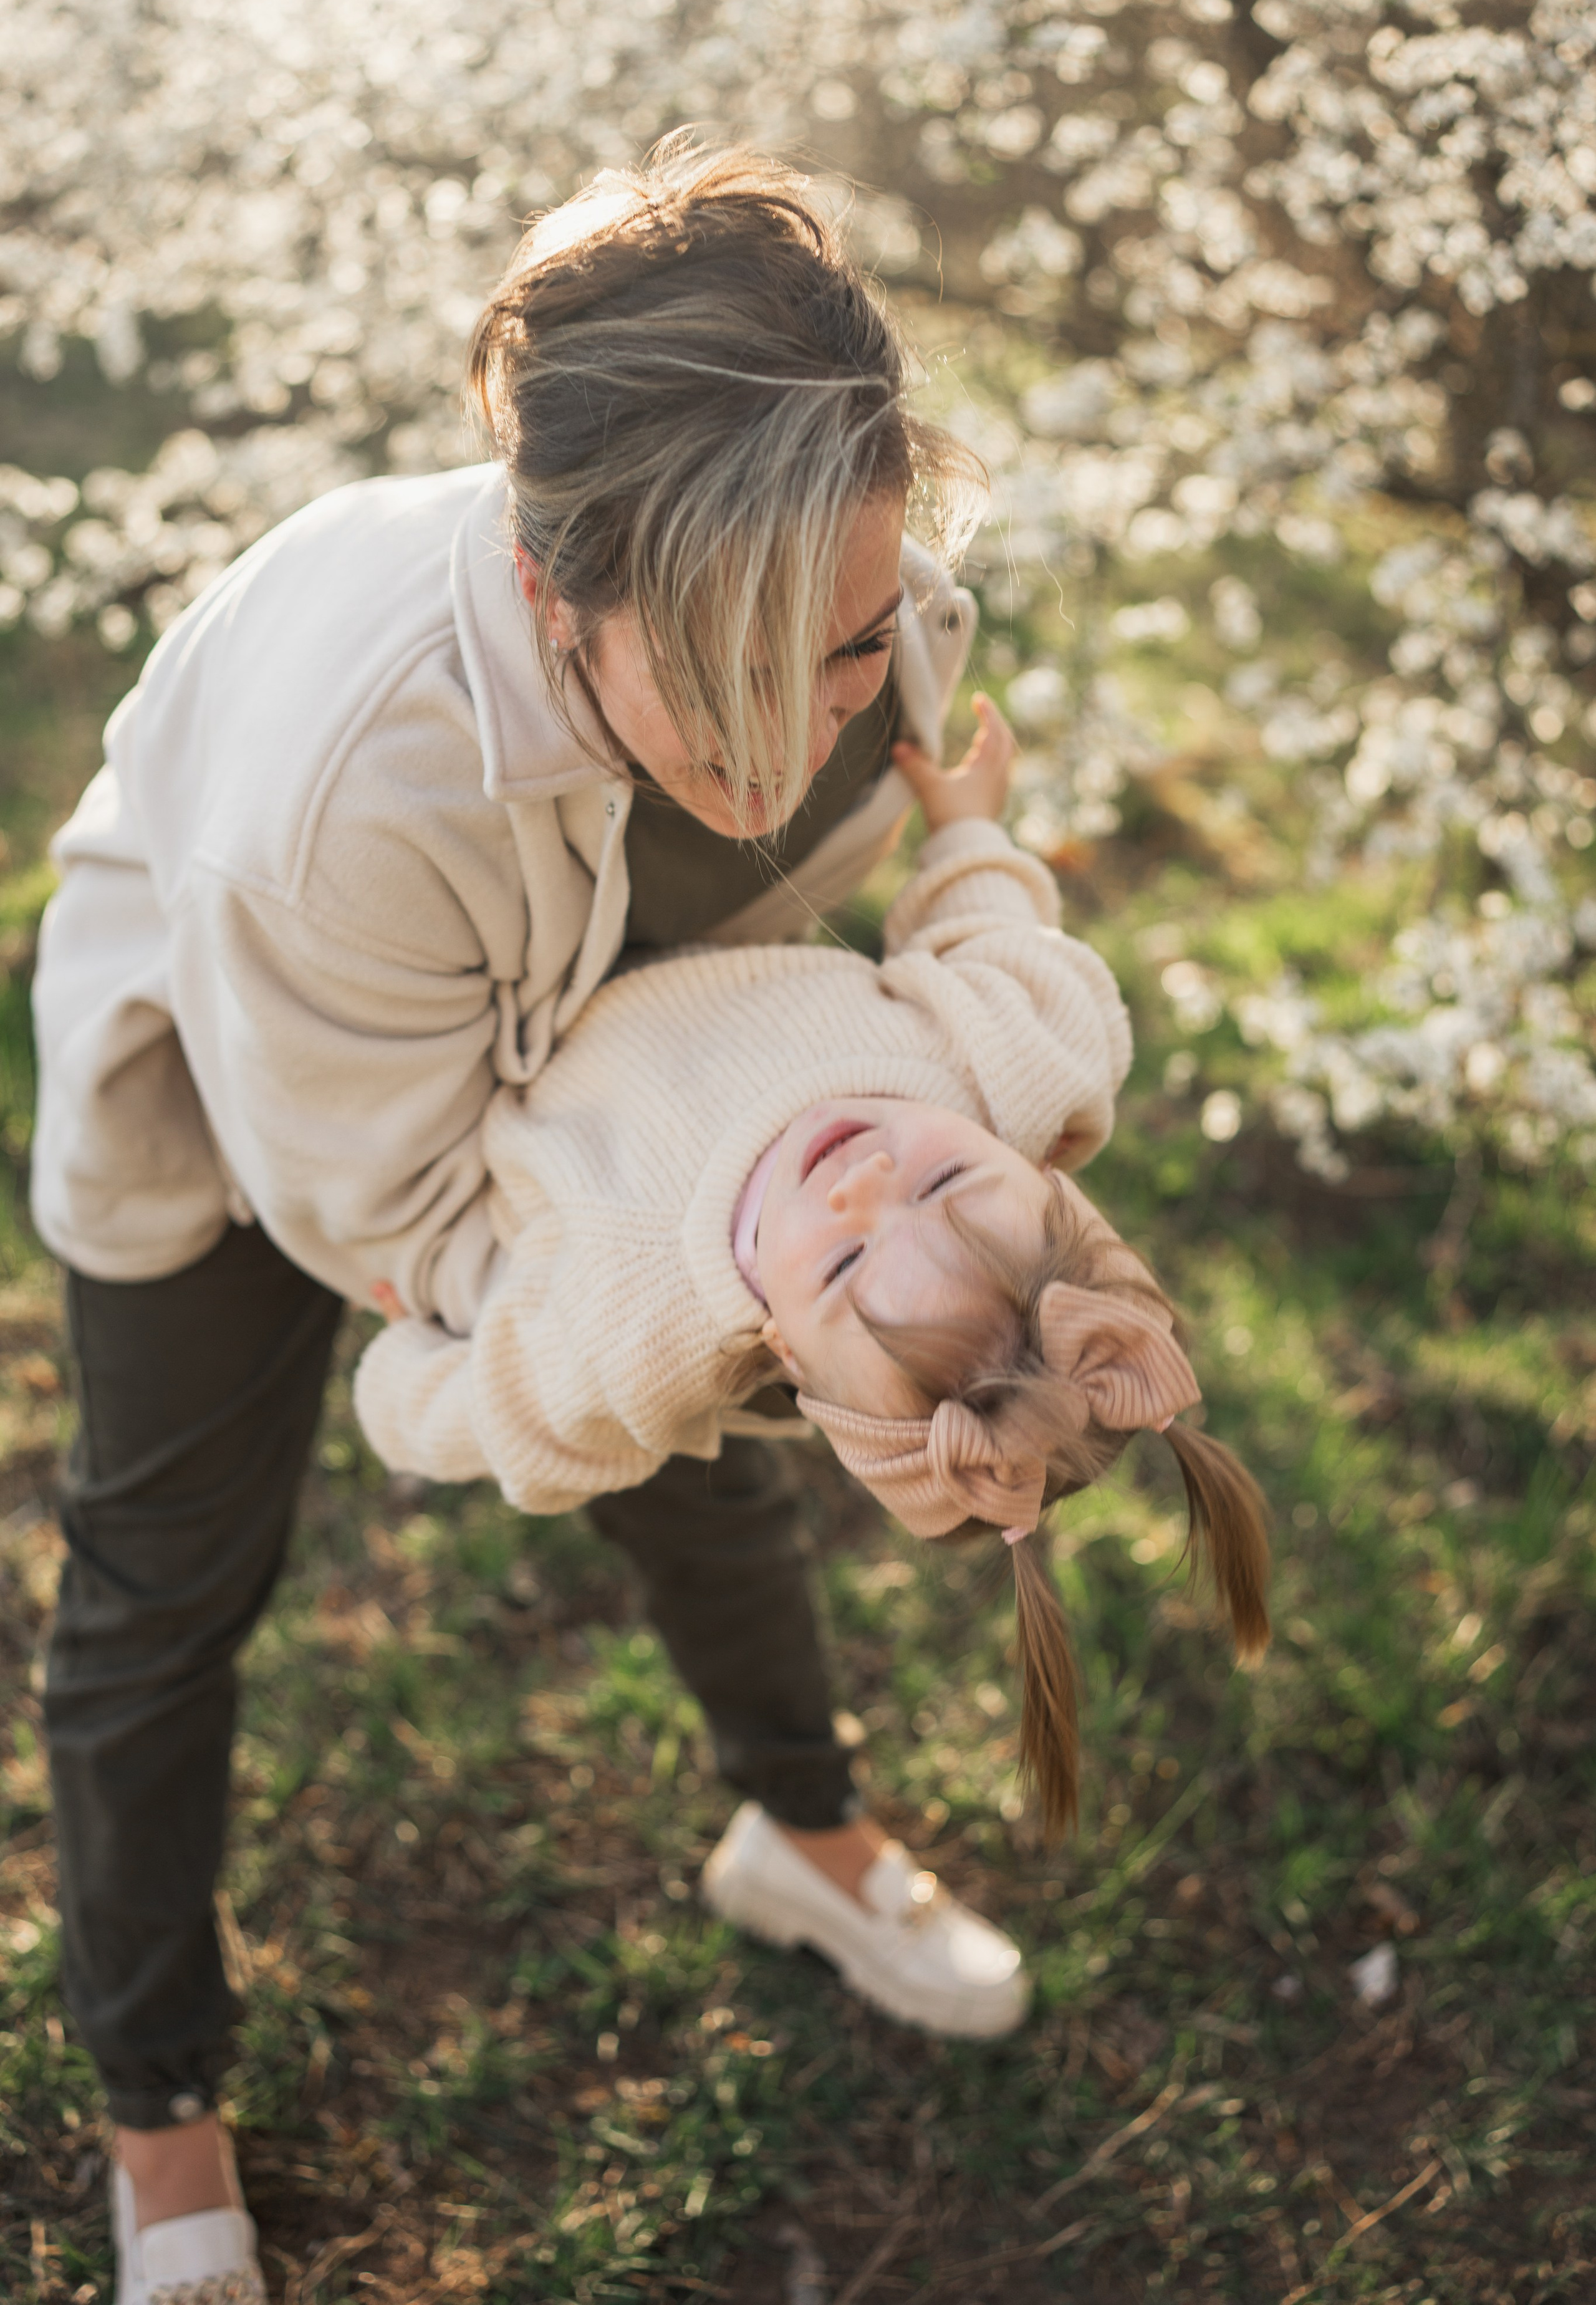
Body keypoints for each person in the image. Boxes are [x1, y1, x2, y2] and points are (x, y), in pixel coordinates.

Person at [28, 138, 1009, 2303]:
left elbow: (932, 774)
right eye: (743, 663)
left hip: (589, 979)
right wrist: (754, 1305)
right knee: (167, 1577)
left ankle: (805, 1829)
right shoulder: (334, 807)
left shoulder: (856, 587)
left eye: (844, 643)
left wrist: (860, 1201)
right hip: (252, 1090)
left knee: (690, 1463)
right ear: (564, 585)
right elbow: (411, 1239)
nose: (798, 724)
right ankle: (160, 2115)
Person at [356, 689, 1272, 1877]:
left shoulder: (643, 1324)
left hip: (507, 1042)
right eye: (942, 1176)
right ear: (1031, 1153)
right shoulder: (1006, 1065)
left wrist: (407, 1343)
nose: (860, 1184)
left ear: (784, 1349)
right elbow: (1003, 947)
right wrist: (968, 830)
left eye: (841, 1262)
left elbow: (508, 1418)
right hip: (696, 908)